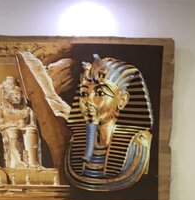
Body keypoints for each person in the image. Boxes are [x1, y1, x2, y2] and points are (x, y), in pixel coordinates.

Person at [63, 55, 154, 191]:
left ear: (122, 100)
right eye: (84, 94)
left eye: (100, 93)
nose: (88, 102)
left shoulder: (139, 143)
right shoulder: (74, 141)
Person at [0, 77, 40, 169]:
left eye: (19, 94)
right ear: (6, 96)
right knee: (13, 131)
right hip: (9, 132)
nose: (17, 97)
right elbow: (0, 126)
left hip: (23, 130)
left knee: (31, 130)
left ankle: (32, 162)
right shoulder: (1, 110)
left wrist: (25, 126)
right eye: (13, 94)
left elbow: (32, 125)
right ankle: (16, 162)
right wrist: (12, 124)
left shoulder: (27, 110)